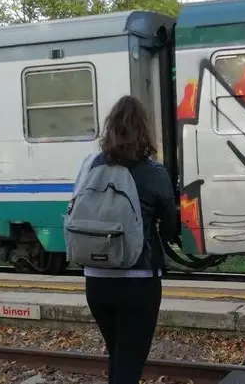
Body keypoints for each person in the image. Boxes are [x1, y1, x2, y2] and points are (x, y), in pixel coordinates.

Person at [82, 95, 177, 384]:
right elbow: (171, 228)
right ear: (144, 130)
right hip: (139, 280)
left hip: (96, 280)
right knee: (129, 365)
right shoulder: (154, 171)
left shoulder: (91, 165)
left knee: (119, 357)